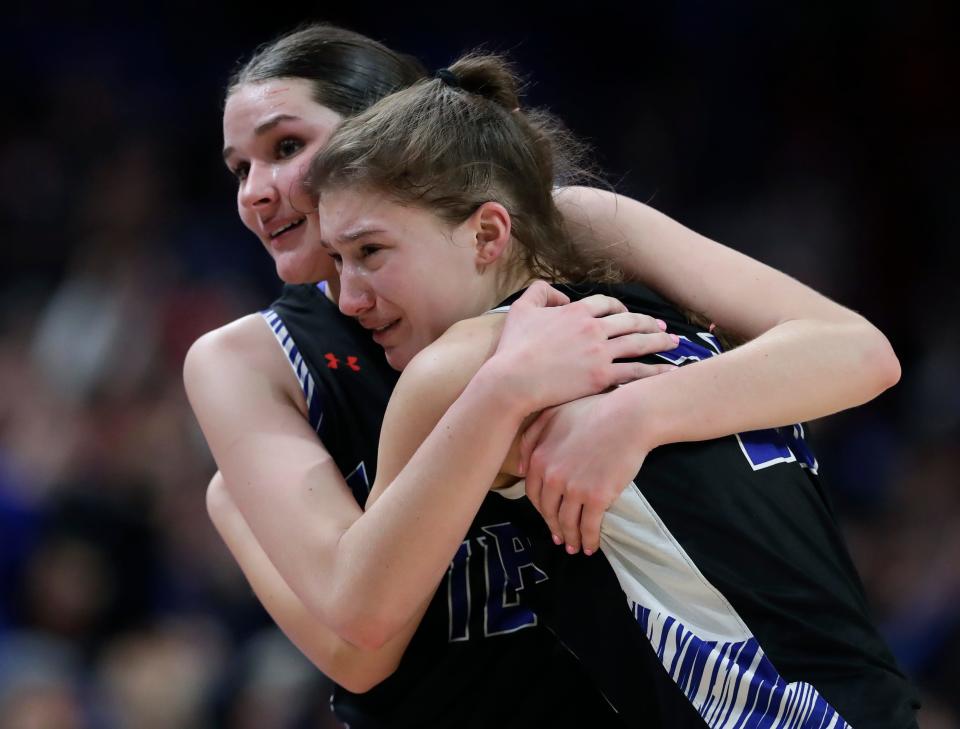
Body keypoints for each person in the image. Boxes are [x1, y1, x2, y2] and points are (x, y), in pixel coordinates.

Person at [185, 23, 905, 727]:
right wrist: (238, 512)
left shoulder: (564, 231)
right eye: (238, 169)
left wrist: (634, 414)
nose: (254, 191)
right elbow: (362, 640)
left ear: (386, 127)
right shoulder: (259, 360)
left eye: (286, 148)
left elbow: (856, 350)